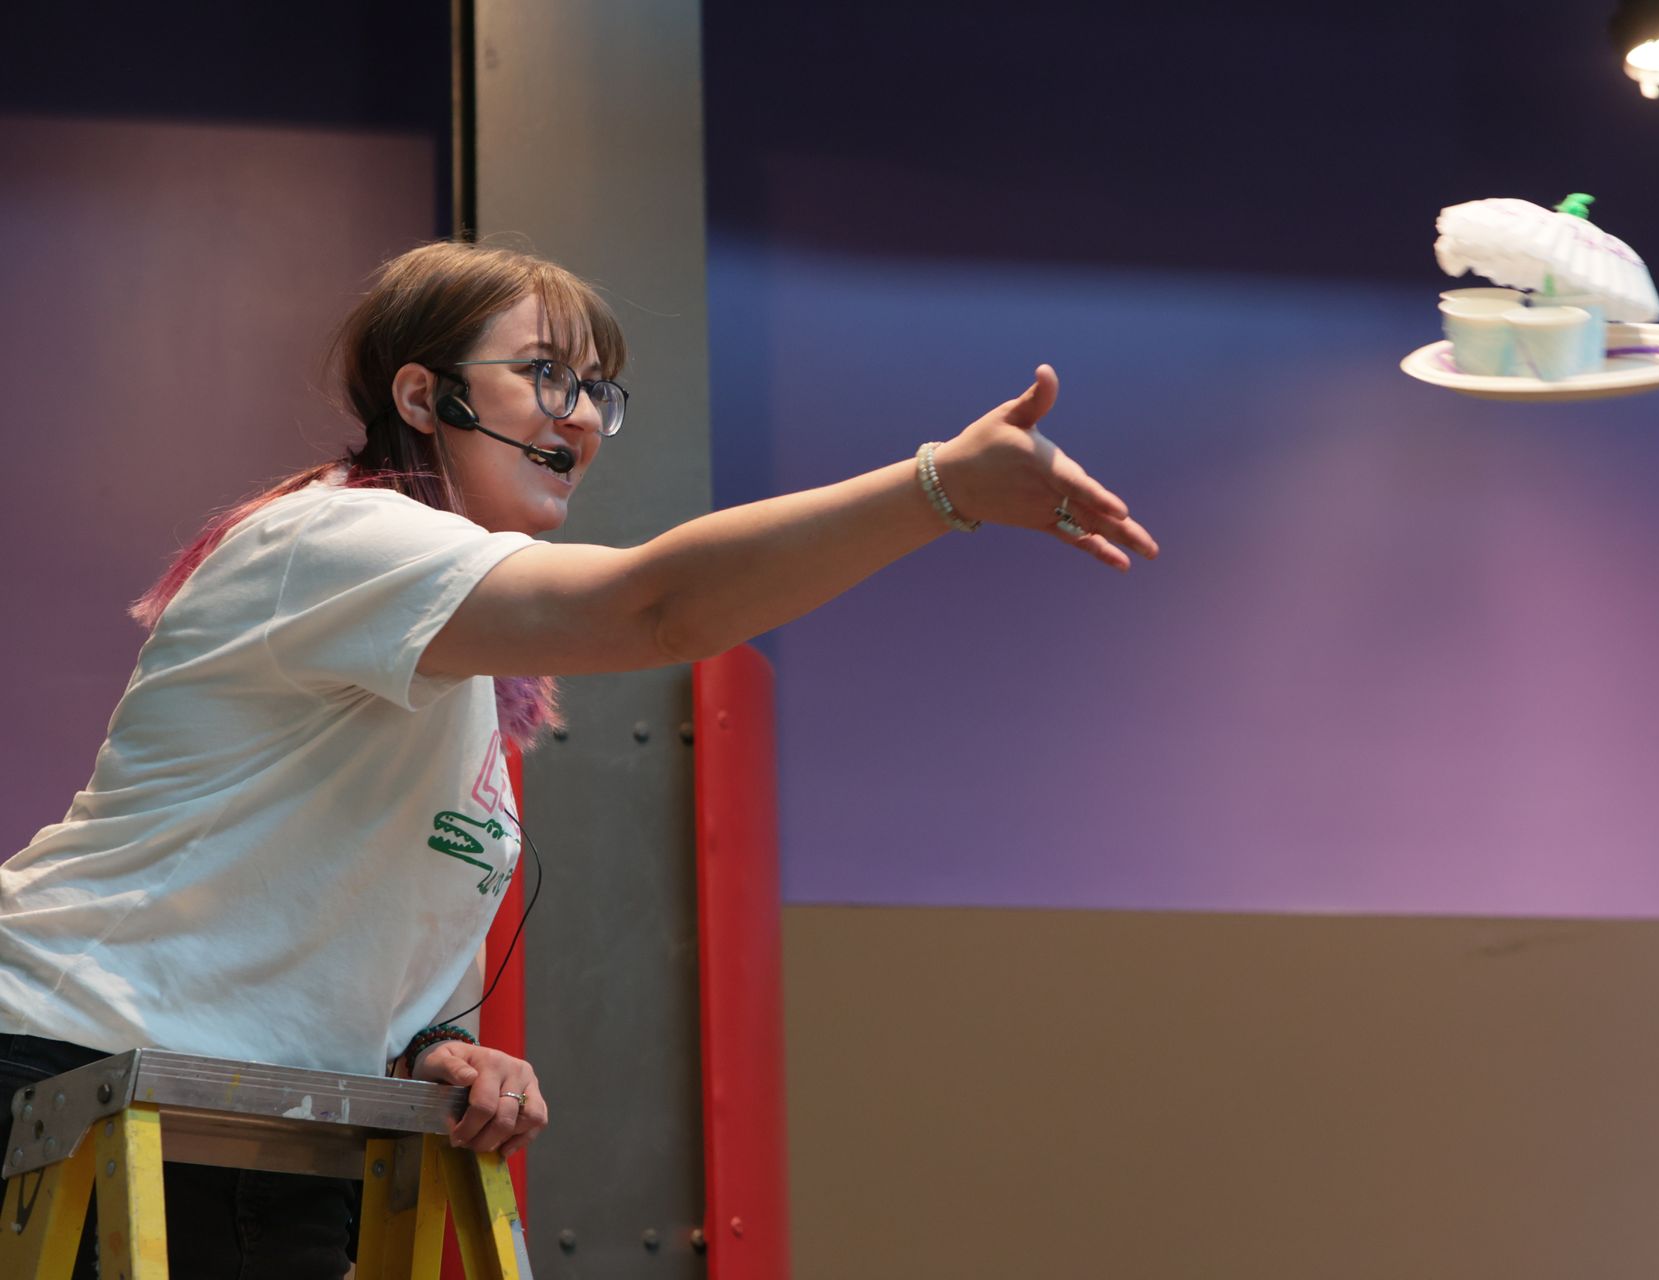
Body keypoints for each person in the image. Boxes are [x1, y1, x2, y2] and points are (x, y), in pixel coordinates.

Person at [0, 239, 1158, 1276]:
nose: (586, 417)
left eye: (600, 388)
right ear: (426, 393)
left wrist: (437, 1042)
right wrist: (937, 490)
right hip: (66, 1071)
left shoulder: (468, 679)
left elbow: (344, 925)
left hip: (263, 1128)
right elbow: (655, 608)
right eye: (548, 373)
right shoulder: (338, 537)